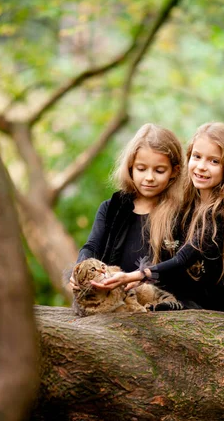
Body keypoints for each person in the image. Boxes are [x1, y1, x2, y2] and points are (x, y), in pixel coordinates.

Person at [92, 122, 224, 317]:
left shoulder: (222, 213)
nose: (202, 167)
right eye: (197, 157)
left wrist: (136, 275)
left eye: (214, 161)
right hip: (215, 314)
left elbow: (182, 260)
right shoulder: (189, 207)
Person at [70, 122, 196, 306]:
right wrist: (78, 269)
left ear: (174, 172)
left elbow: (181, 265)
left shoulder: (183, 214)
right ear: (130, 167)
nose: (149, 177)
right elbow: (91, 246)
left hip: (165, 308)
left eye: (159, 170)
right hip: (118, 306)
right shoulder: (111, 209)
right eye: (141, 169)